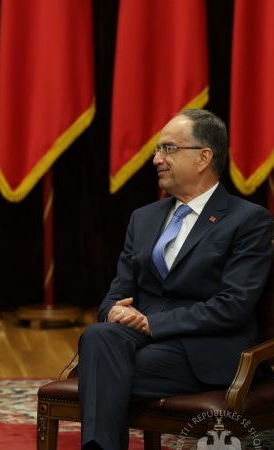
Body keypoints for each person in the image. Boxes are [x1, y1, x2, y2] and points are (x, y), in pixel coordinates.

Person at [78, 109, 272, 450]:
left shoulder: (247, 220)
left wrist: (152, 323)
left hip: (203, 350)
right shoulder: (143, 218)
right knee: (98, 336)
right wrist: (114, 311)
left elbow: (233, 306)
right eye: (157, 150)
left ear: (203, 157)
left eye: (168, 148)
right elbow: (117, 291)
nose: (156, 159)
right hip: (138, 340)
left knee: (101, 369)